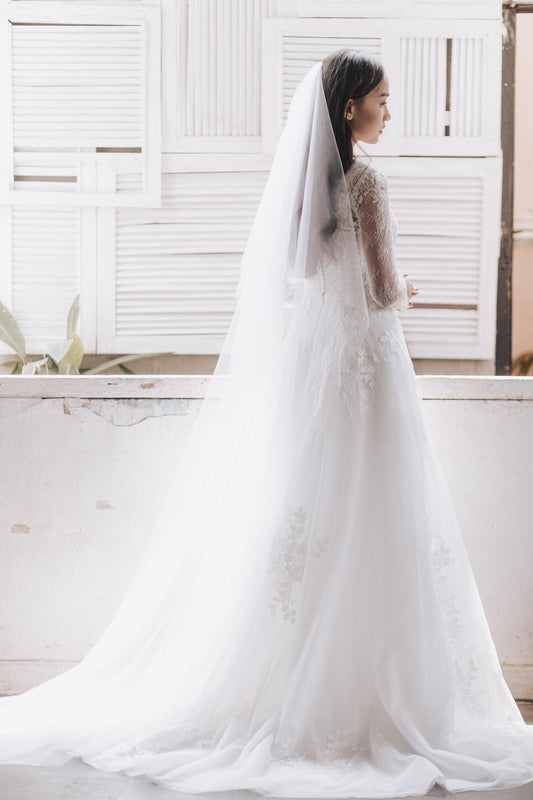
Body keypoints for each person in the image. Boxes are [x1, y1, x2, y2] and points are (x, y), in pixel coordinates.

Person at [0, 50, 532, 798]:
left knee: (305, 514)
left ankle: (290, 688)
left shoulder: (308, 186)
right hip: (367, 368)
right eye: (381, 100)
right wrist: (407, 290)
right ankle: (364, 694)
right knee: (376, 513)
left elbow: (303, 277)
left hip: (313, 369)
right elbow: (381, 290)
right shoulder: (368, 183)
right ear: (348, 107)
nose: (388, 112)